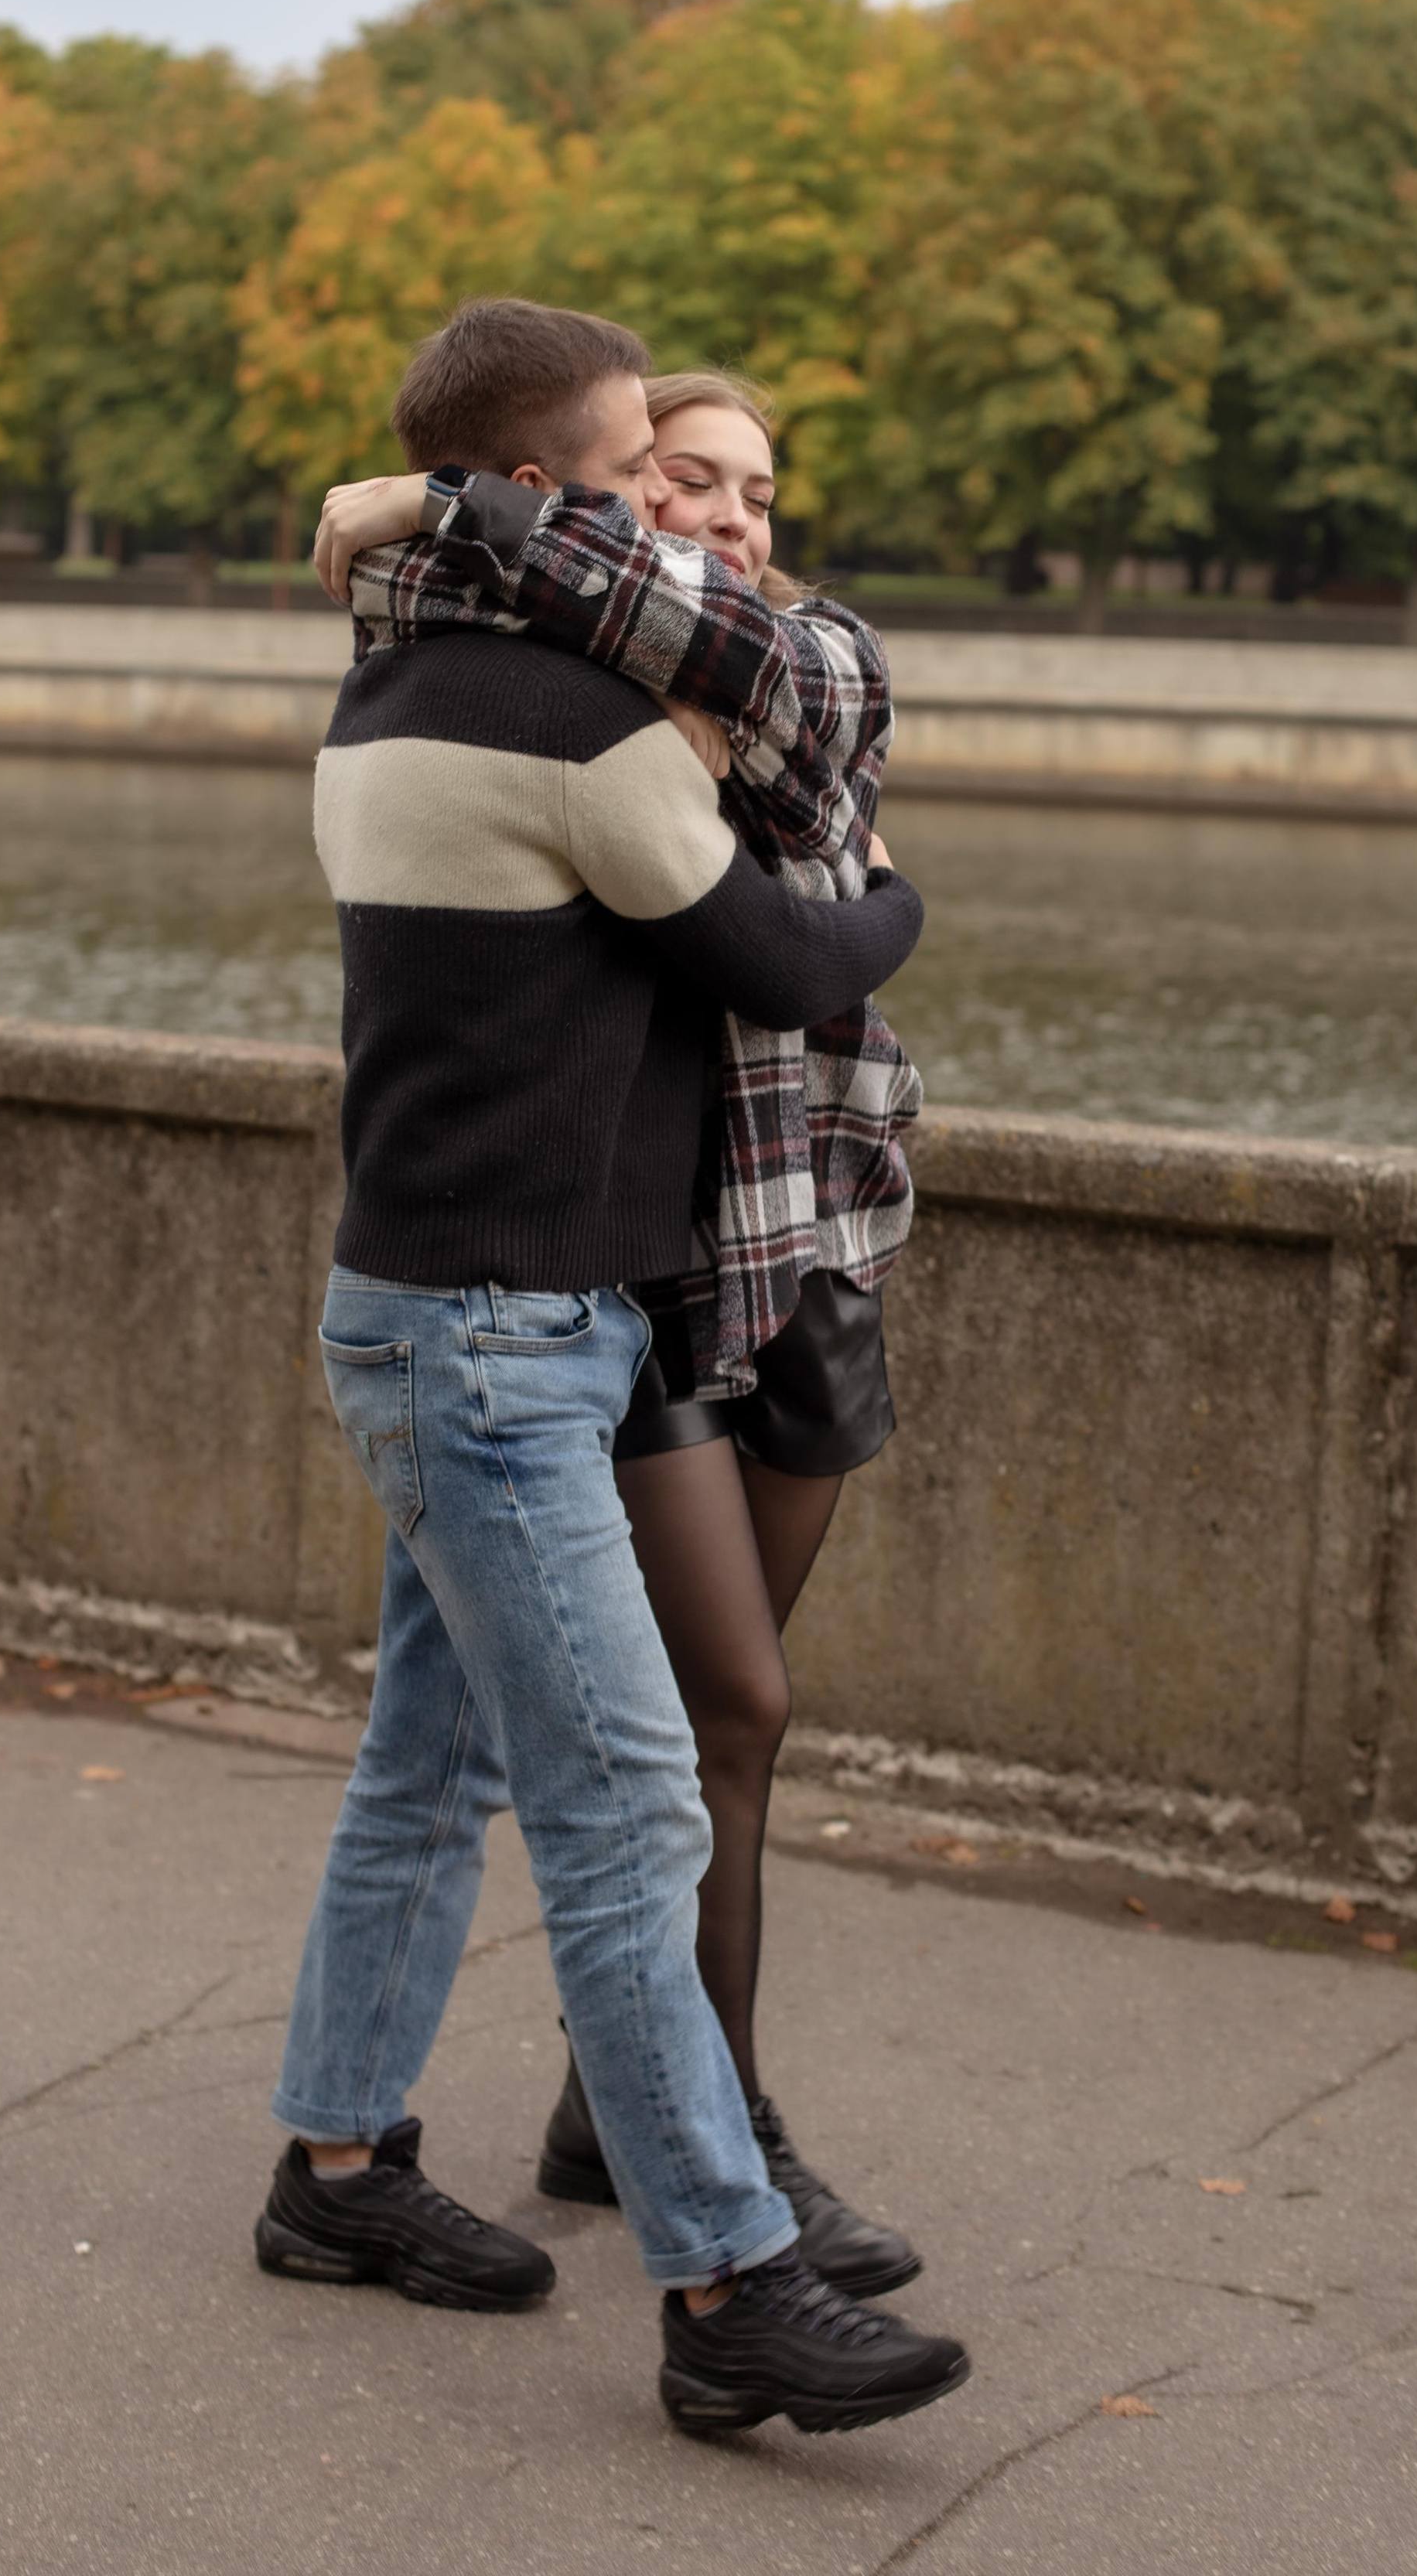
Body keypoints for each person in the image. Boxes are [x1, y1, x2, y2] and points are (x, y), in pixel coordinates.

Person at [262, 295, 969, 2441]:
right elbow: (780, 951)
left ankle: (339, 2166)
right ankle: (725, 2276)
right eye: (634, 478)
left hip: (440, 1307)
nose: (677, 530)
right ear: (562, 497)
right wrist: (898, 902)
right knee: (630, 1798)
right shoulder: (571, 723)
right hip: (502, 1340)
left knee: (427, 1767)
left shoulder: (395, 680)